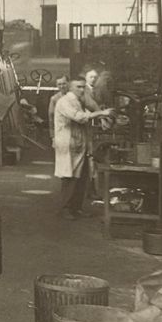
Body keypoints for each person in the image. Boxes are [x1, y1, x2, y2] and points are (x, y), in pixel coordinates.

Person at [53, 78, 113, 220]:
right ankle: (65, 209)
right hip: (68, 145)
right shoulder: (65, 101)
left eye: (83, 87)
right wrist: (102, 114)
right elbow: (78, 117)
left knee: (82, 178)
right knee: (70, 178)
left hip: (79, 145)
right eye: (78, 87)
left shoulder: (79, 100)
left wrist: (102, 117)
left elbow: (90, 105)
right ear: (70, 88)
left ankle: (76, 208)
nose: (81, 89)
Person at [48, 77, 68, 141]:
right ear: (56, 85)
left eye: (64, 84)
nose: (62, 86)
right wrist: (53, 136)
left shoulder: (75, 96)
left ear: (68, 83)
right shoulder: (54, 99)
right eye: (59, 84)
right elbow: (51, 118)